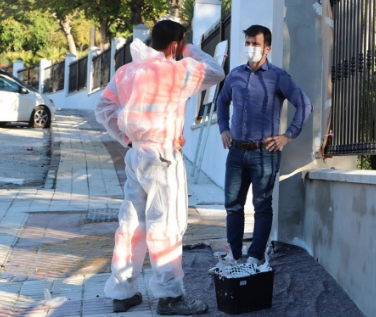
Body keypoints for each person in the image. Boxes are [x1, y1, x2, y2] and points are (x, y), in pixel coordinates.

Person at [95, 19, 226, 315]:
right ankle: (170, 297)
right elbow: (216, 71)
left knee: (131, 223)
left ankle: (123, 291)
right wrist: (189, 49)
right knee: (166, 225)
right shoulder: (176, 71)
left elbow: (103, 108)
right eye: (180, 44)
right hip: (163, 157)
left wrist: (127, 139)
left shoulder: (126, 72)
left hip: (136, 154)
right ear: (175, 45)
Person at [217, 24, 313, 264]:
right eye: (248, 43)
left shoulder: (278, 77)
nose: (250, 47)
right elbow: (222, 101)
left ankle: (255, 256)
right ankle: (233, 255)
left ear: (267, 48)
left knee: (261, 205)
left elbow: (305, 104)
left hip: (265, 154)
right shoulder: (235, 75)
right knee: (232, 205)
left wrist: (288, 135)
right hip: (236, 152)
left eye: (255, 44)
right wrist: (223, 128)